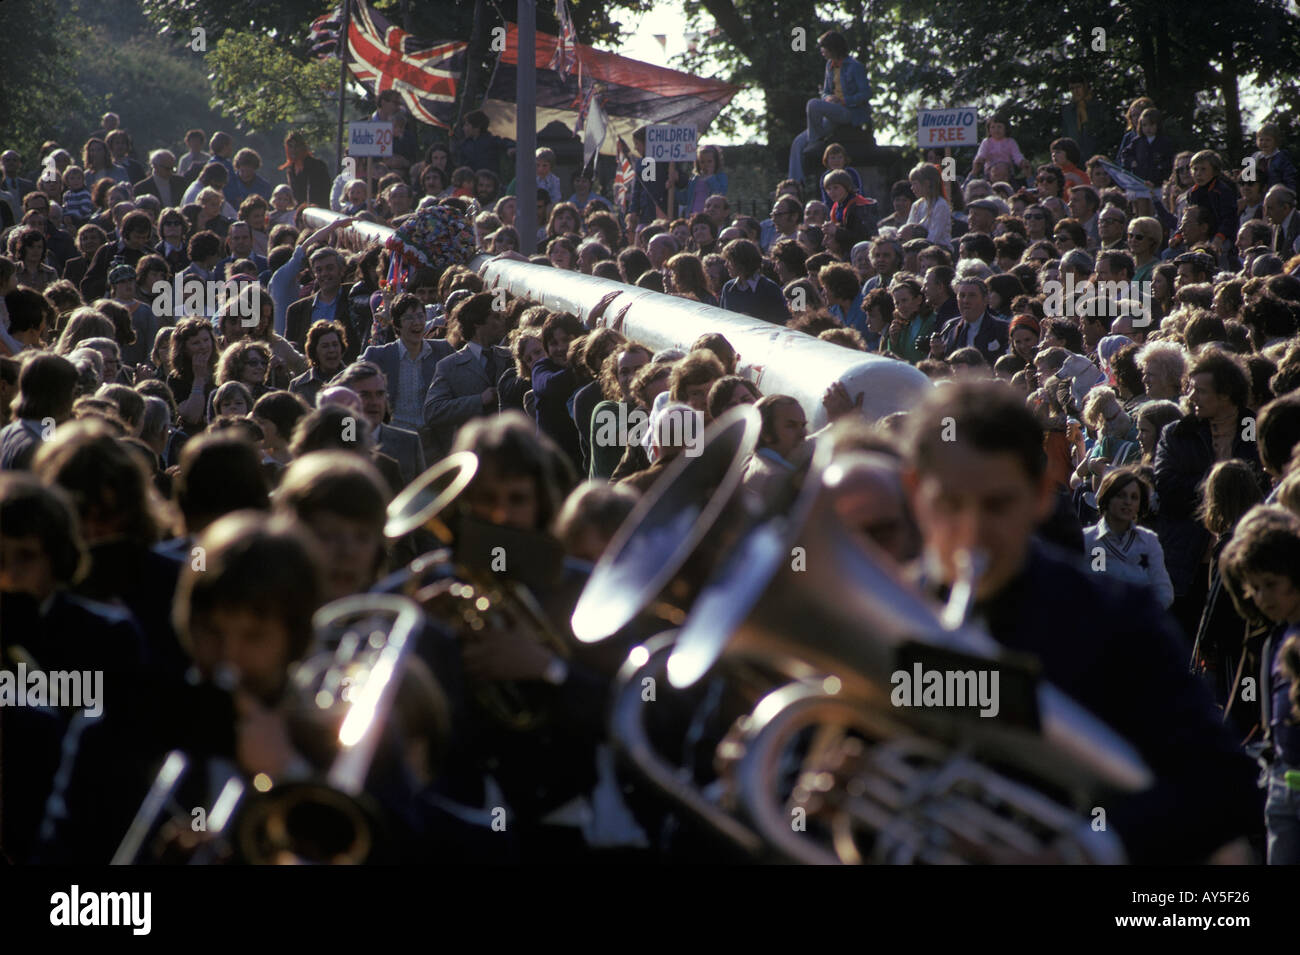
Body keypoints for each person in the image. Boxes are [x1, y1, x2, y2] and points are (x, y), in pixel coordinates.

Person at [901, 380, 1259, 863]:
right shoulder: (884, 613)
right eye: (949, 503)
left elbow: (1223, 788)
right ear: (912, 491)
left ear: (1042, 495)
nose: (972, 531)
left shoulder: (1115, 621)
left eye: (998, 504)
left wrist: (1077, 850)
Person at [1218, 506, 1300, 863]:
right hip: (1283, 782)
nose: (1263, 597)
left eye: (1272, 585)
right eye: (1255, 588)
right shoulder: (1273, 640)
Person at [422, 291, 510, 460]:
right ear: (477, 323)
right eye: (495, 317)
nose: (501, 322)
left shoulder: (509, 358)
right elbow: (432, 411)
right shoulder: (449, 366)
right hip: (471, 457)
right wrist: (478, 400)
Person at [787, 30, 872, 185]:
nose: (822, 51)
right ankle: (795, 184)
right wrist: (828, 99)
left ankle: (814, 141)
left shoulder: (855, 66)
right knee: (798, 142)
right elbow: (826, 91)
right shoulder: (829, 66)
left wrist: (843, 100)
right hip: (832, 111)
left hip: (849, 112)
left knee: (812, 104)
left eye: (824, 47)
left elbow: (866, 94)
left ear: (833, 48)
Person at [1083, 466, 1174, 608]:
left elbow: (1164, 591)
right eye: (1121, 495)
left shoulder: (1148, 541)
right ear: (1107, 497)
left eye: (1134, 497)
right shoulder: (1088, 540)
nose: (1128, 502)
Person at [930, 276, 1008, 361]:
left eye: (972, 295)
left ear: (985, 299)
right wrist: (937, 354)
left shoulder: (1002, 329)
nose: (966, 300)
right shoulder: (950, 326)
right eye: (962, 295)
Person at [718, 238, 790, 326]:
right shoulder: (728, 288)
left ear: (741, 262)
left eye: (729, 261)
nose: (726, 265)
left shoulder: (769, 289)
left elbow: (781, 322)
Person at [905, 162, 951, 250]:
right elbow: (909, 228)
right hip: (917, 248)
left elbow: (934, 237)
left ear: (926, 183)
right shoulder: (916, 205)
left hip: (939, 249)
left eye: (914, 184)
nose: (912, 188)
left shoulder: (940, 205)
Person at [281, 132, 331, 208]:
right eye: (290, 146)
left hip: (318, 211)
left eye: (297, 146)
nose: (293, 150)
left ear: (303, 147)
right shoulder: (290, 170)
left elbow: (317, 198)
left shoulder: (317, 166)